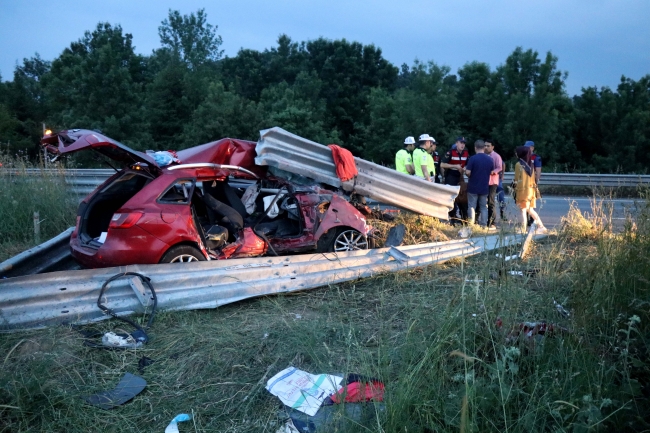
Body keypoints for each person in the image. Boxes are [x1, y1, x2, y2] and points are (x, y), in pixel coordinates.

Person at [513, 146, 547, 234]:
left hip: (523, 190)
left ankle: (523, 229)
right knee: (530, 210)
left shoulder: (518, 164)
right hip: (531, 190)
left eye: (517, 152)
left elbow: (516, 179)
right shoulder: (531, 164)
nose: (516, 154)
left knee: (523, 210)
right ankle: (541, 226)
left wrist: (514, 188)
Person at [465, 140, 493, 227]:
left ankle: (471, 224)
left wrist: (467, 174)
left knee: (472, 206)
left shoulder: (472, 159)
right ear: (484, 148)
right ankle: (484, 225)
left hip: (473, 186)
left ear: (475, 148)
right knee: (484, 207)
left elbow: (468, 172)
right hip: (484, 186)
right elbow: (491, 172)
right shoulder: (490, 159)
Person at [441, 137, 469, 224]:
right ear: (456, 143)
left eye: (464, 143)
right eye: (461, 143)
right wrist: (455, 166)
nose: (462, 145)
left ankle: (464, 219)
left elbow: (468, 164)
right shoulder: (450, 152)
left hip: (460, 177)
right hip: (451, 176)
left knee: (463, 197)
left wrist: (465, 168)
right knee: (451, 198)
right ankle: (453, 219)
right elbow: (442, 164)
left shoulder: (466, 153)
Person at [484, 139, 503, 227]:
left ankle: (492, 222)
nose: (486, 147)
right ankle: (482, 220)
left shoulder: (496, 156)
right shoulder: (483, 155)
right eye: (485, 146)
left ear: (492, 147)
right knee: (482, 201)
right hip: (484, 181)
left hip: (492, 182)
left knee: (491, 202)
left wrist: (493, 172)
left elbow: (500, 167)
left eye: (488, 146)